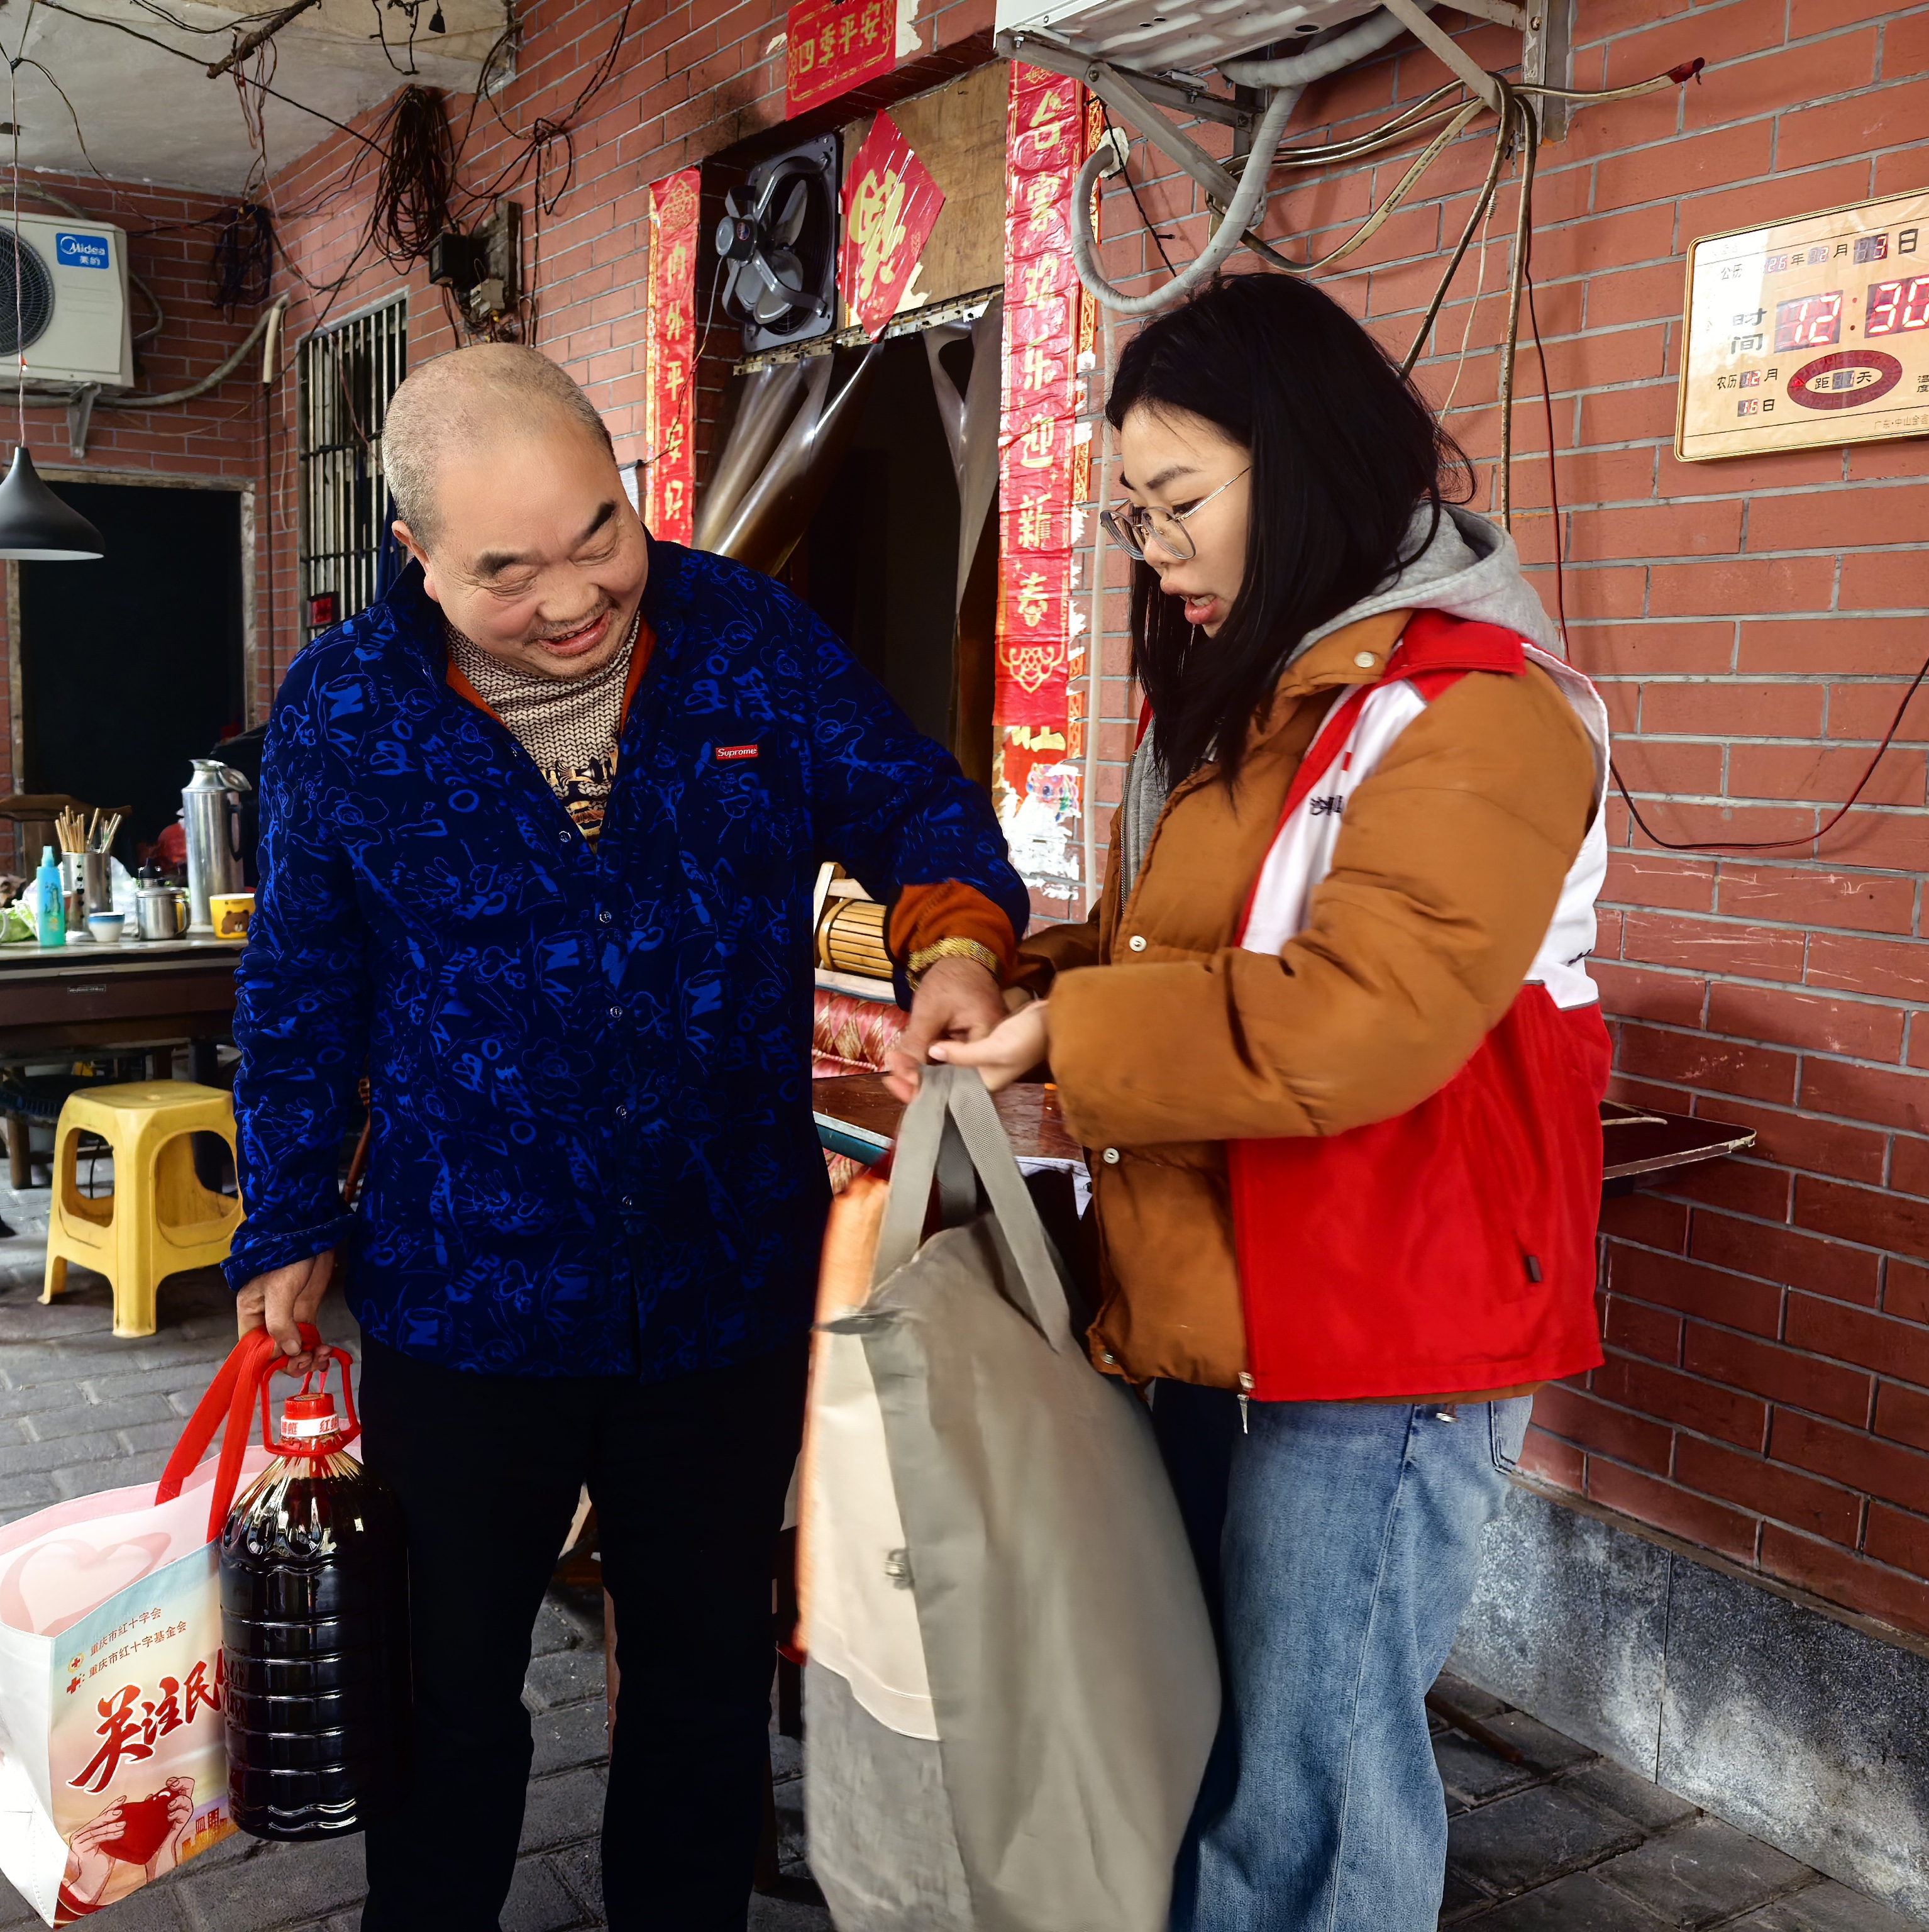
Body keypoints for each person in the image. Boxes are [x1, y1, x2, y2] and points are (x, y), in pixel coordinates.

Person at [224, 343, 1027, 1930]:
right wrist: (289, 1213)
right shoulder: (345, 709)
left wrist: (950, 945)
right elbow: (300, 984)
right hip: (467, 1290)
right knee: (446, 1688)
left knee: (702, 1679)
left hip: (720, 1278)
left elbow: (916, 803)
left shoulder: (746, 639)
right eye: (507, 572)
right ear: (416, 557)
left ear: (625, 483)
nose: (574, 597)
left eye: (598, 533)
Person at [928, 275, 1610, 1929]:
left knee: (1309, 1781)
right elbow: (1175, 950)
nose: (1153, 550)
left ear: (1302, 459)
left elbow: (1356, 1017)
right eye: (1129, 515)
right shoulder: (1268, 694)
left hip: (1381, 1324)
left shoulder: (1478, 712)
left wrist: (1069, 1034)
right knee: (1212, 1732)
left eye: (1177, 502)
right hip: (1224, 1296)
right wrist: (1001, 973)